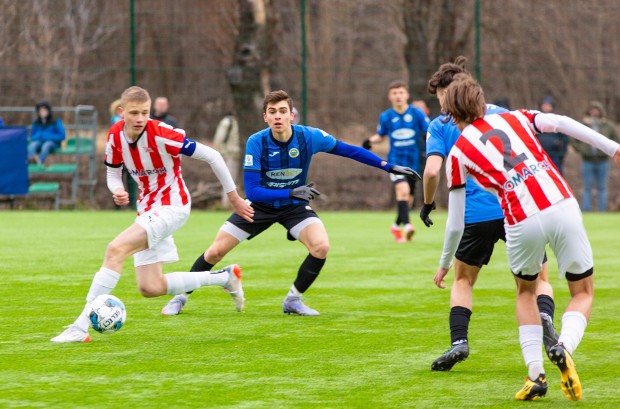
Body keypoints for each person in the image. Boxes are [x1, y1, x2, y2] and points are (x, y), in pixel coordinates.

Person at [435, 74, 620, 400]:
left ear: (450, 114)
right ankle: (563, 346)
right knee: (582, 291)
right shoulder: (516, 117)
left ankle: (536, 376)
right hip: (560, 204)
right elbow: (562, 122)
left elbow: (456, 223)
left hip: (520, 219)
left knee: (525, 292)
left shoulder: (458, 153)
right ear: (482, 102)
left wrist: (445, 263)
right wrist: (614, 149)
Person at [161, 90, 420, 317]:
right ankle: (180, 297)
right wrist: (291, 193)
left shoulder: (310, 137)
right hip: (259, 207)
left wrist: (387, 166)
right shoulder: (256, 141)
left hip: (294, 206)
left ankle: (293, 300)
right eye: (272, 112)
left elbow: (349, 150)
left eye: (282, 111)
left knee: (321, 246)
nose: (277, 116)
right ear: (265, 117)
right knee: (215, 253)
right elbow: (253, 191)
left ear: (291, 116)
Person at [51, 86, 254, 343]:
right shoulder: (115, 136)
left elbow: (213, 155)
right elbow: (113, 173)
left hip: (173, 206)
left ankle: (80, 327)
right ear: (121, 112)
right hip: (147, 210)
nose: (139, 118)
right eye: (134, 113)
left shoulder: (161, 134)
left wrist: (234, 197)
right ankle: (224, 278)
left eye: (145, 113)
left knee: (115, 250)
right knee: (150, 287)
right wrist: (118, 189)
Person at [420, 56, 559, 372]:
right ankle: (546, 316)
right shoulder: (501, 113)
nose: (441, 105)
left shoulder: (441, 124)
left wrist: (428, 203)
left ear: (447, 92)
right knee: (537, 280)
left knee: (463, 279)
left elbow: (431, 171)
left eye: (440, 97)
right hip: (517, 208)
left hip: (476, 215)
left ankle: (459, 342)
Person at [362, 81, 430, 243]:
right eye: (394, 93)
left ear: (406, 95)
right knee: (403, 190)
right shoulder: (386, 116)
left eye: (400, 92)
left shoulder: (417, 114)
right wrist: (369, 141)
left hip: (414, 162)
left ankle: (395, 225)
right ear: (390, 96)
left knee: (409, 199)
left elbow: (429, 131)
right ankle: (407, 226)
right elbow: (381, 135)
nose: (398, 96)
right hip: (395, 162)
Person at [570, 101, 619, 212]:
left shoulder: (608, 125)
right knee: (587, 187)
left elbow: (616, 140)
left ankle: (602, 210)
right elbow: (573, 139)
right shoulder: (583, 124)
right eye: (592, 109)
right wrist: (581, 149)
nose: (594, 112)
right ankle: (586, 210)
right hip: (587, 160)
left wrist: (609, 151)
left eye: (596, 109)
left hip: (603, 161)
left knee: (602, 187)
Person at [110, 99, 137, 210]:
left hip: (130, 155)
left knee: (131, 180)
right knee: (118, 180)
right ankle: (119, 205)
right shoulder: (116, 121)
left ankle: (131, 204)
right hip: (121, 154)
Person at [213, 112, 241, 208]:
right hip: (230, 154)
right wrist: (222, 152)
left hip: (240, 155)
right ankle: (226, 204)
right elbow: (218, 139)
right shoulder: (228, 122)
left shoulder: (239, 122)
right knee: (229, 179)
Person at [536, 96, 569, 174]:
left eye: (548, 105)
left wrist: (561, 152)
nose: (546, 107)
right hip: (540, 155)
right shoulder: (536, 120)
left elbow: (564, 138)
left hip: (555, 155)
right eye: (544, 105)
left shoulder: (557, 120)